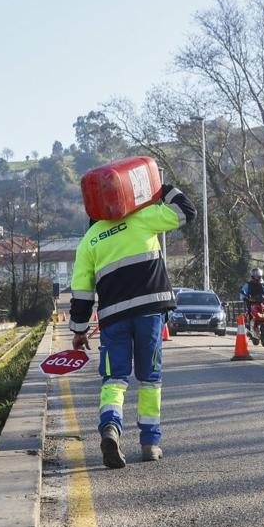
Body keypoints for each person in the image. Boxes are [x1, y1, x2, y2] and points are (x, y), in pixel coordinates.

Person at [70, 183, 196, 468]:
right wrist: (160, 188)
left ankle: (111, 427)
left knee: (114, 379)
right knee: (150, 378)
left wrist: (78, 331)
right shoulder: (142, 218)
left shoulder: (90, 240)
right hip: (150, 314)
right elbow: (187, 211)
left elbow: (81, 294)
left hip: (113, 319)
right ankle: (150, 443)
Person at [239, 268, 264, 336]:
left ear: (260, 276)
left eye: (257, 276)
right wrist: (244, 298)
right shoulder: (248, 284)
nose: (256, 278)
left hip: (263, 302)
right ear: (252, 276)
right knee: (249, 312)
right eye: (254, 276)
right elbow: (242, 292)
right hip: (252, 302)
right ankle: (249, 328)